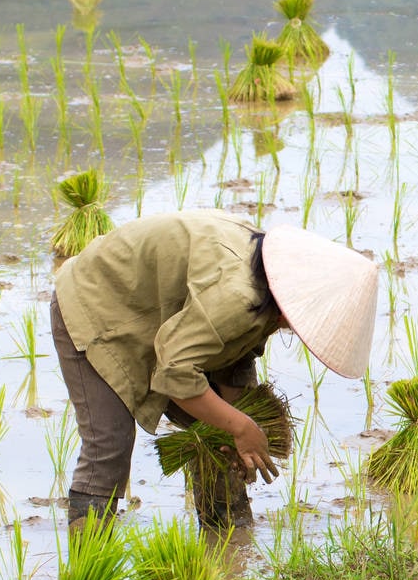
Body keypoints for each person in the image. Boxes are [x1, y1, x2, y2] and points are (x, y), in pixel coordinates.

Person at [51, 210, 378, 533]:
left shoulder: (268, 284)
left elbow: (234, 355)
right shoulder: (237, 296)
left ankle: (226, 540)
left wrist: (234, 421)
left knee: (219, 433)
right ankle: (88, 569)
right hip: (96, 306)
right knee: (110, 443)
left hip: (164, 325)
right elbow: (176, 375)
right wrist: (241, 425)